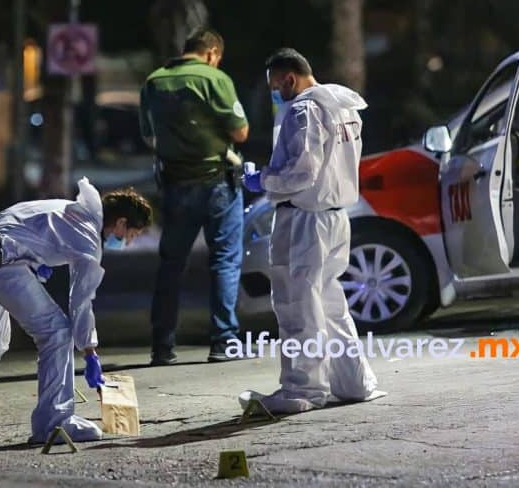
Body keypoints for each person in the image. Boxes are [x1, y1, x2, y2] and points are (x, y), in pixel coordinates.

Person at [0, 180, 153, 444]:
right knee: (57, 333)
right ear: (121, 223)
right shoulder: (88, 236)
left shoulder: (66, 208)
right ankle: (54, 423)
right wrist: (90, 351)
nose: (128, 242)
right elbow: (80, 301)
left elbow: (18, 224)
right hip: (0, 262)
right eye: (132, 236)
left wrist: (33, 261)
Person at [240, 48, 385, 414]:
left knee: (297, 306)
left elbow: (303, 171)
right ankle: (353, 383)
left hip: (305, 220)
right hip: (336, 217)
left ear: (290, 78)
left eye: (277, 87)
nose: (277, 94)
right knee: (331, 304)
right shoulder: (344, 105)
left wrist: (263, 180)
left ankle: (301, 390)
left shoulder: (304, 109)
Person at [139, 27, 249, 365]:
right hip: (218, 182)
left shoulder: (154, 81)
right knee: (224, 262)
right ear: (212, 52)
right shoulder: (216, 79)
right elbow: (240, 132)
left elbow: (148, 136)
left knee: (171, 265)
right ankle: (223, 342)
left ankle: (162, 346)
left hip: (174, 185)